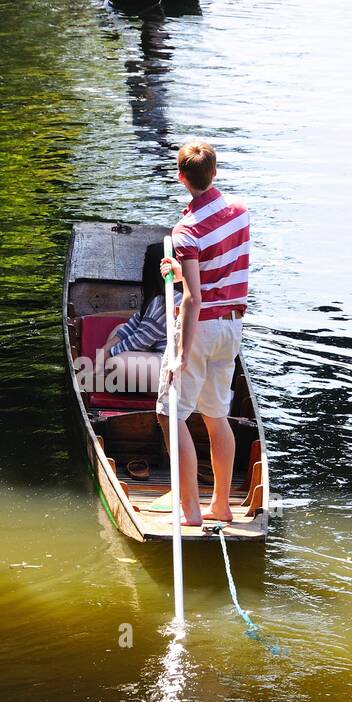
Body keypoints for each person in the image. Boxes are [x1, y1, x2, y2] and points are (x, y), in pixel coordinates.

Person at [157, 140, 250, 526]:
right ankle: (222, 505)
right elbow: (219, 271)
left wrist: (181, 352)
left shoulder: (186, 231)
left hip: (201, 327)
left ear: (181, 177)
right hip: (231, 326)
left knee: (170, 414)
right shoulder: (240, 212)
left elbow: (193, 300)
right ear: (214, 172)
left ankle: (191, 510)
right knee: (216, 415)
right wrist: (180, 272)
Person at [102, 242, 180, 395]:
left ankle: (148, 388)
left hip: (171, 365)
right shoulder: (157, 299)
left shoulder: (165, 302)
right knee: (120, 329)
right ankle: (129, 381)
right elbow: (133, 325)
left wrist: (108, 356)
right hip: (160, 357)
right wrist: (104, 353)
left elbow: (140, 342)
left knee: (115, 364)